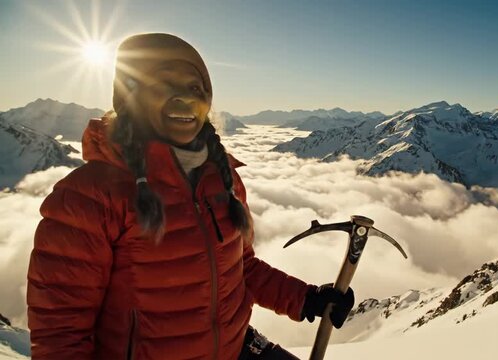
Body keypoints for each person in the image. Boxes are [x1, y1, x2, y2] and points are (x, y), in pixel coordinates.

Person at [26, 33, 354, 360]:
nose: (185, 99)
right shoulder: (91, 195)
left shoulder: (223, 181)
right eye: (166, 85)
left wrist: (306, 298)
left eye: (195, 88)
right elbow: (60, 334)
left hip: (235, 348)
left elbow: (242, 268)